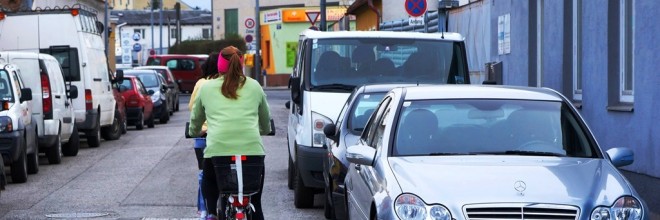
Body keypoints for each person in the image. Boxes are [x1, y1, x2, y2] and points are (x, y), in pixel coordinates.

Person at [188, 46, 272, 220]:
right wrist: (265, 130)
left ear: (220, 65)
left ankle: (211, 213)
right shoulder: (255, 86)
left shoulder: (207, 88)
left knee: (209, 179)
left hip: (218, 149)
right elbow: (265, 119)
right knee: (255, 202)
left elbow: (196, 119)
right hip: (252, 150)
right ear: (240, 65)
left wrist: (193, 131)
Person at [188, 52, 220, 219]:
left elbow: (193, 107)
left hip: (203, 136)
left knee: (204, 173)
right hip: (222, 134)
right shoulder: (227, 83)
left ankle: (205, 210)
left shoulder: (201, 83)